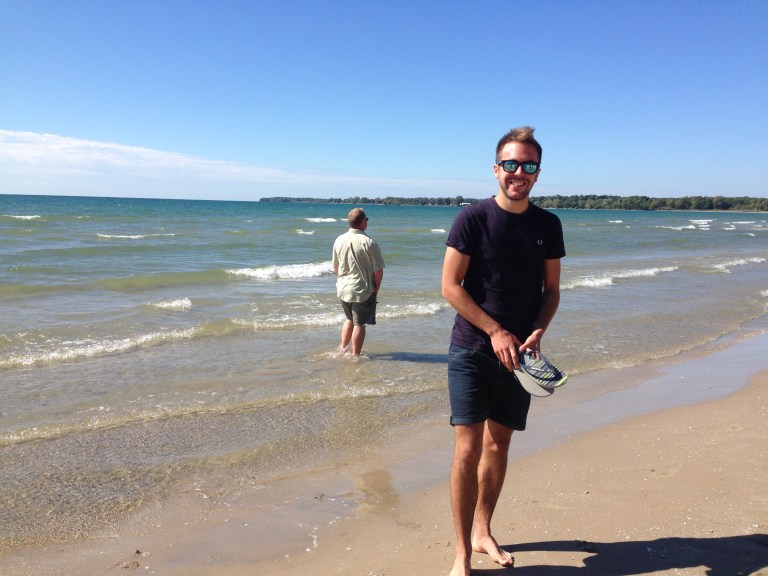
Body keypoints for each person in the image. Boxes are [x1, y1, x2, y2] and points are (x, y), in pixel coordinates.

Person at [441, 126, 565, 576]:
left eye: (528, 165)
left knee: (499, 444)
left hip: (520, 358)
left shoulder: (548, 225)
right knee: (467, 450)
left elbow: (552, 290)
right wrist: (494, 331)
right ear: (496, 169)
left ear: (537, 173)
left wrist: (537, 331)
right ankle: (461, 553)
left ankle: (482, 531)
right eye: (511, 163)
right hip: (472, 349)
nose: (519, 172)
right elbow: (450, 286)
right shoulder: (471, 219)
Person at [332, 207, 385, 356]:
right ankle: (356, 355)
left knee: (349, 318)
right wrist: (376, 287)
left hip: (343, 287)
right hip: (361, 289)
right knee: (359, 324)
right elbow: (378, 270)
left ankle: (343, 348)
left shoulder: (339, 240)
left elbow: (335, 266)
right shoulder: (369, 243)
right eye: (366, 219)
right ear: (362, 222)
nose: (367, 222)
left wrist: (342, 279)